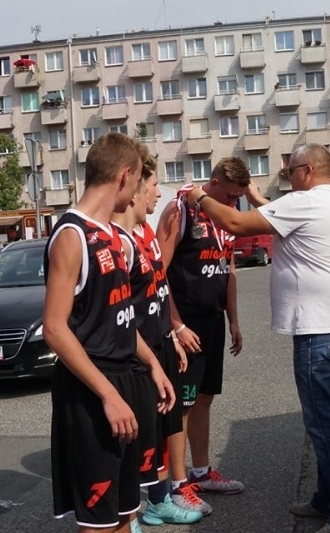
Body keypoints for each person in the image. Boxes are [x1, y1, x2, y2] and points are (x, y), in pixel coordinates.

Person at [186, 144, 330, 533]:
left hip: (321, 329)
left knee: (325, 424)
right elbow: (272, 211)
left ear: (305, 171)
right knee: (328, 418)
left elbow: (236, 224)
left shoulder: (306, 203)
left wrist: (198, 196)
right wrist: (253, 194)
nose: (287, 177)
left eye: (289, 171)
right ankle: (327, 497)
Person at [42, 132, 176, 533]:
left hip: (125, 380)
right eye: (138, 182)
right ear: (124, 176)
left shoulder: (119, 238)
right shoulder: (71, 235)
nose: (139, 192)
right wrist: (108, 394)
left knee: (125, 513)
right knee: (98, 524)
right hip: (91, 389)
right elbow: (53, 328)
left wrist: (152, 364)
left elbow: (119, 316)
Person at [111, 154, 202, 529]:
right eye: (151, 187)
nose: (156, 193)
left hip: (161, 344)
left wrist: (174, 333)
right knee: (134, 437)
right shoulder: (118, 238)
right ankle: (127, 513)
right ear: (133, 191)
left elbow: (159, 289)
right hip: (136, 353)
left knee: (159, 430)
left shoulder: (146, 232)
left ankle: (159, 501)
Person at [155, 157, 249, 516]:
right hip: (186, 325)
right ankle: (177, 487)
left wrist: (234, 321)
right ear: (212, 183)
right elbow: (158, 273)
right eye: (229, 195)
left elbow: (230, 270)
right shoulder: (180, 210)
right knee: (181, 405)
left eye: (238, 198)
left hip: (213, 322)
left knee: (204, 400)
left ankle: (201, 471)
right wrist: (175, 326)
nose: (232, 204)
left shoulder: (225, 216)